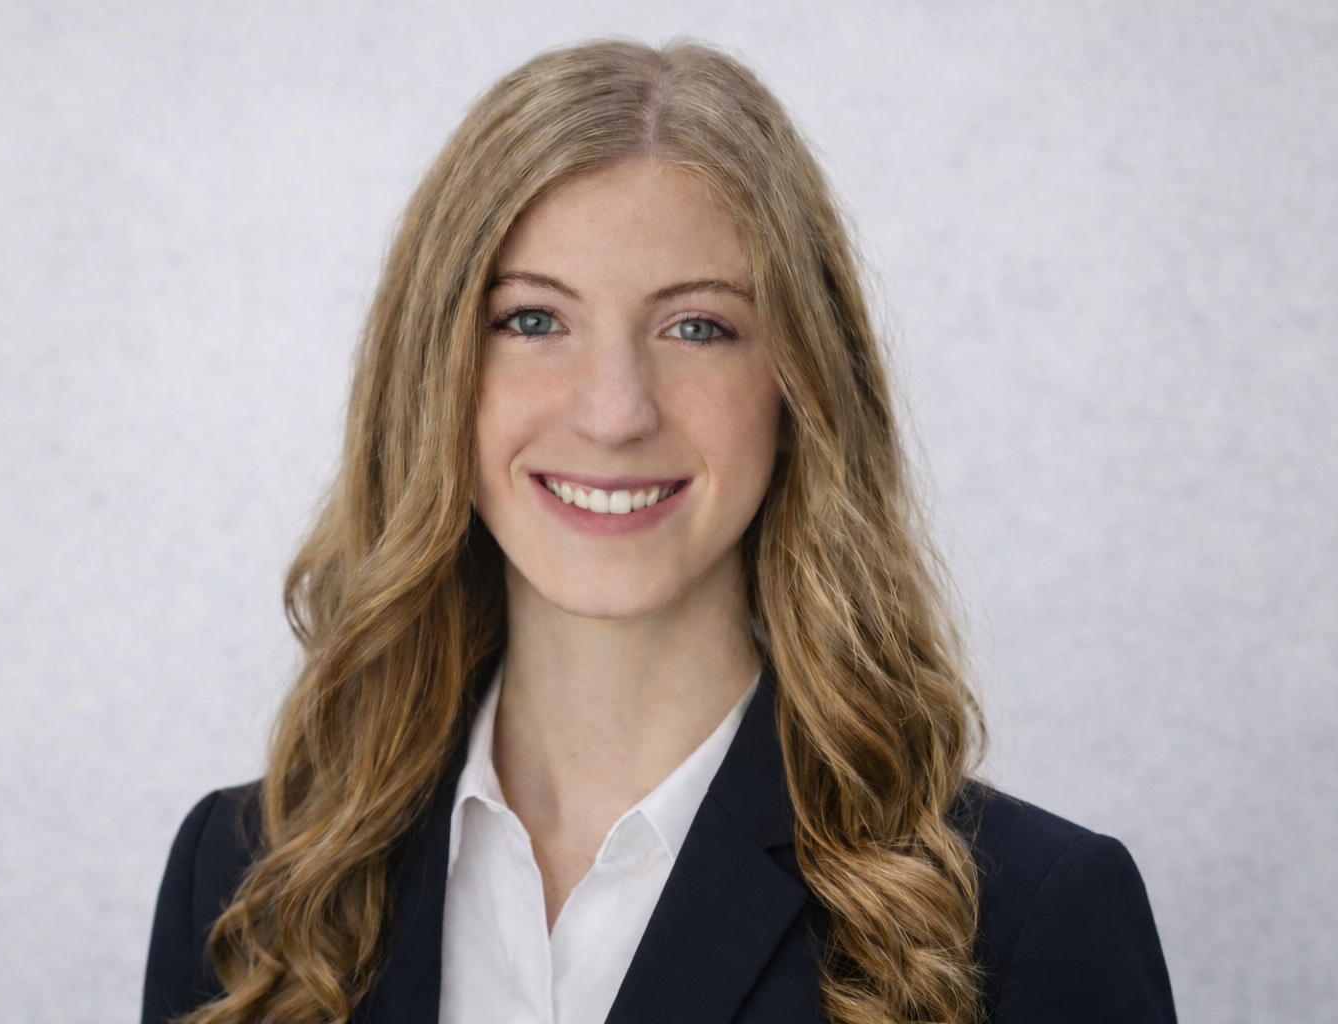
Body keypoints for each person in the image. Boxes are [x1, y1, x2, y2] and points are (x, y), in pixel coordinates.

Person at [142, 40, 1176, 1024]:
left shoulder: (1023, 921)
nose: (614, 410)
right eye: (533, 320)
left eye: (698, 327)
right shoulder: (246, 886)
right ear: (433, 377)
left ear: (801, 387)